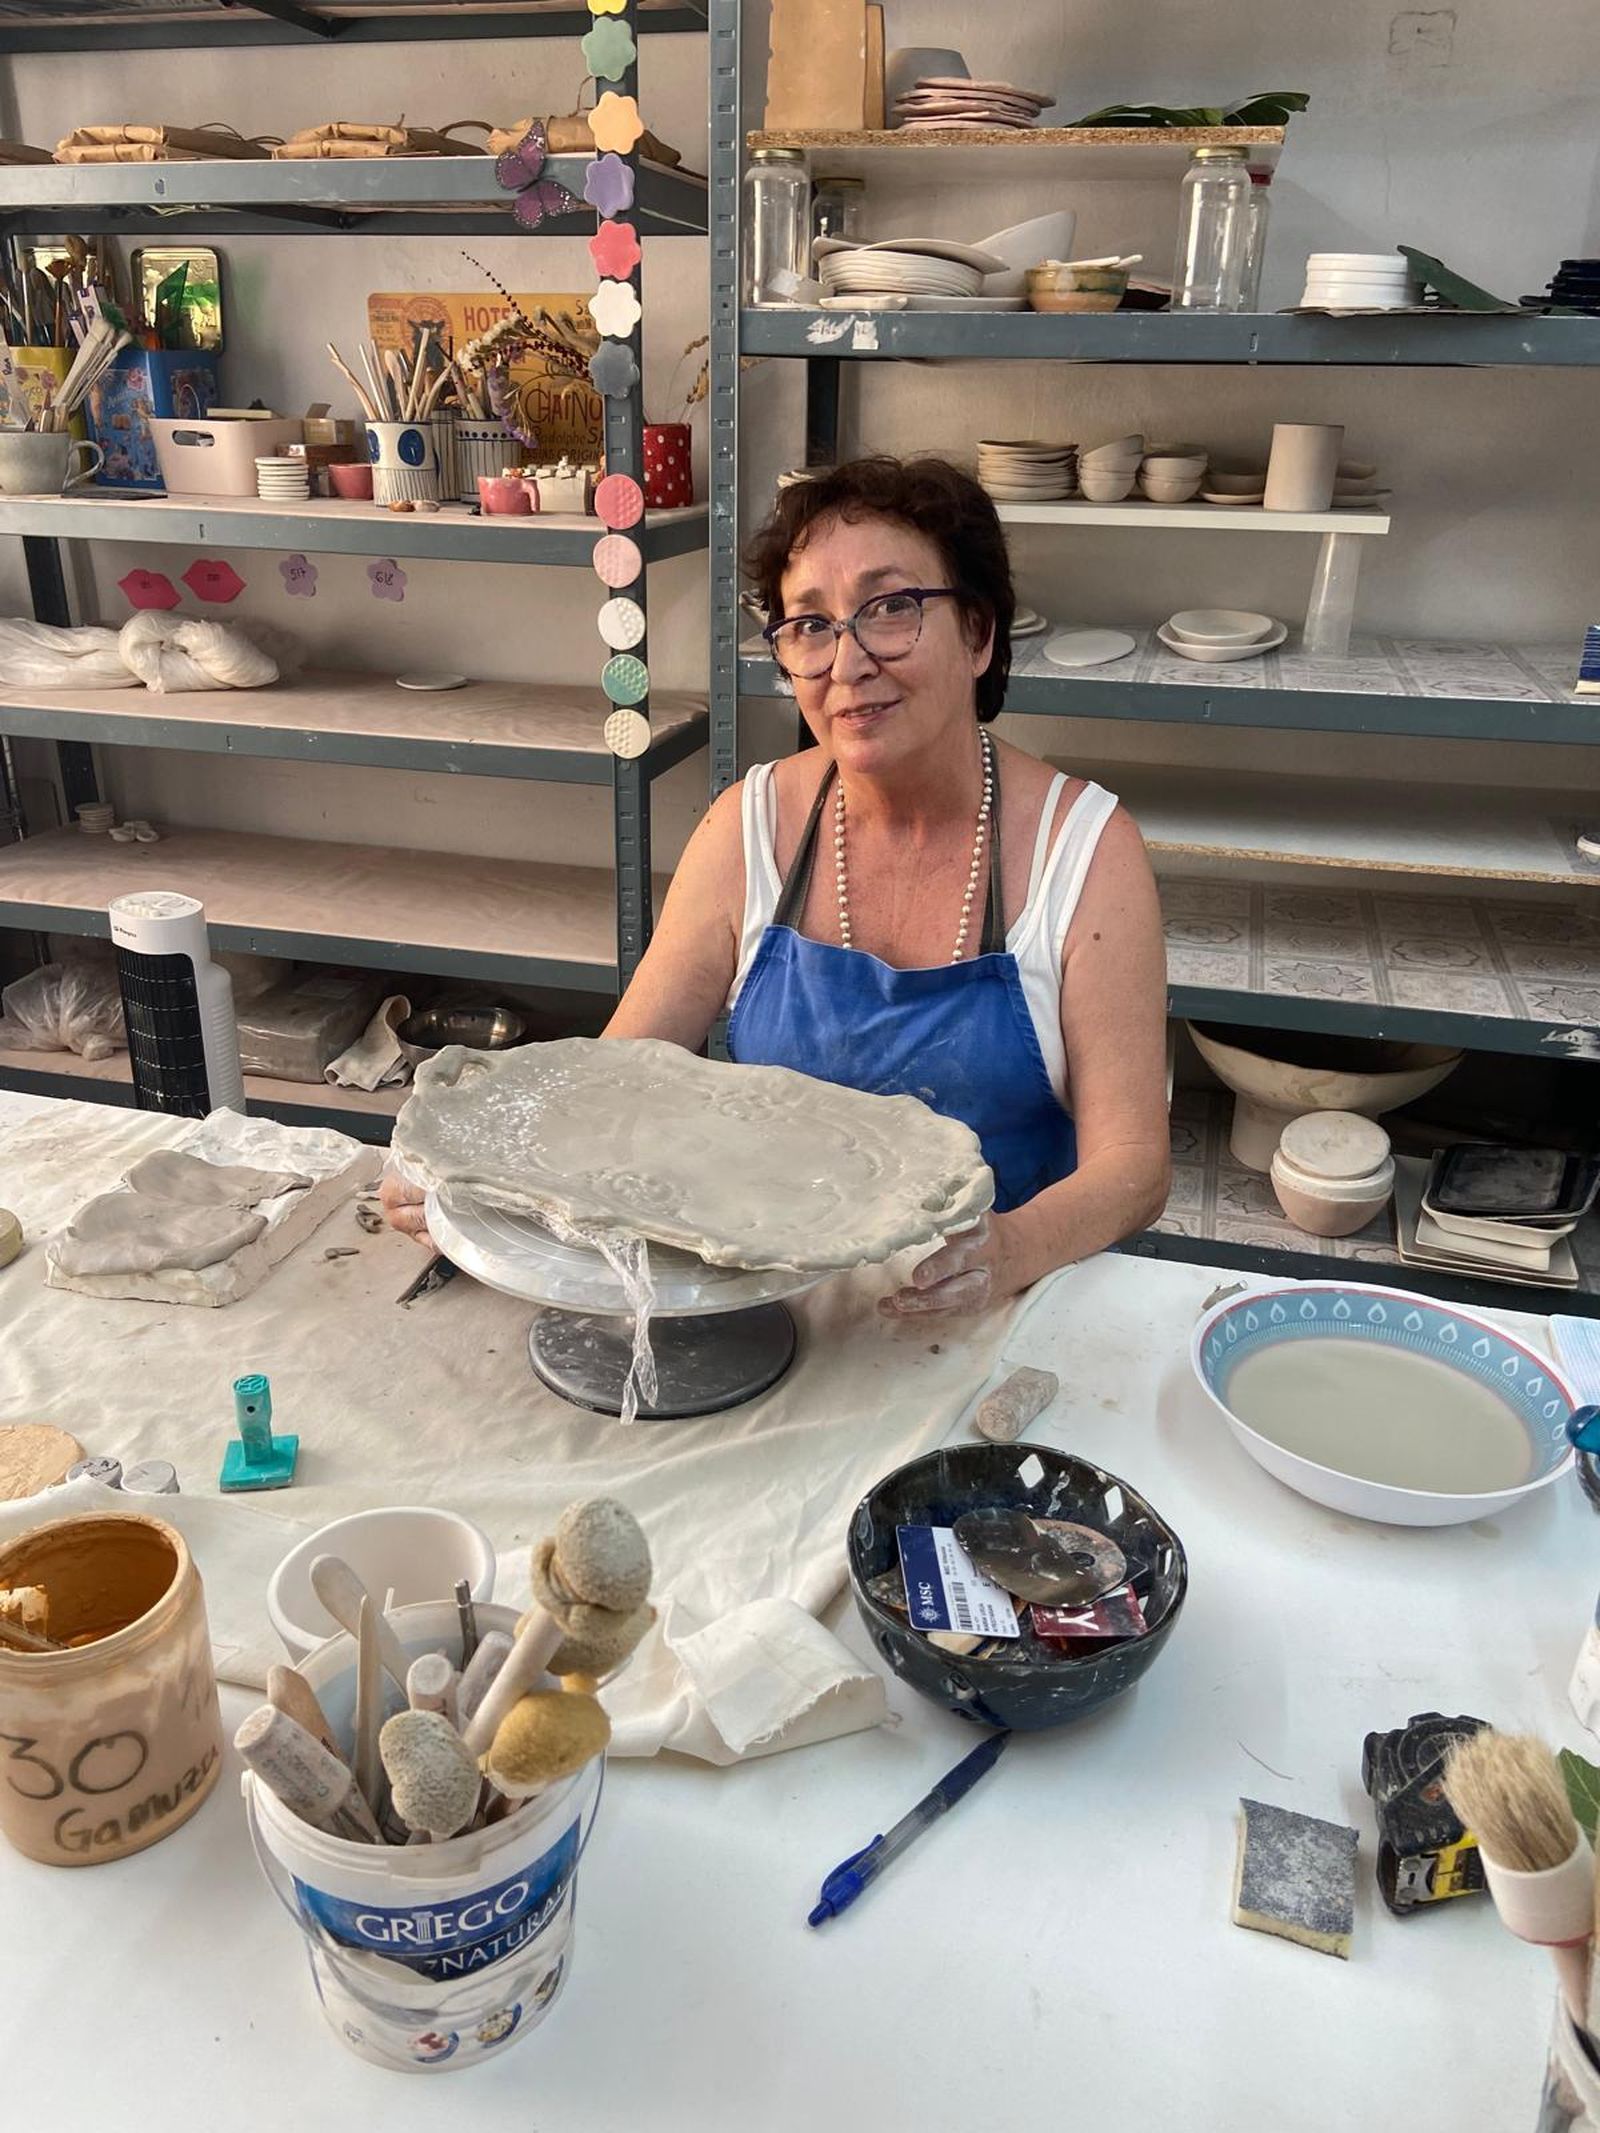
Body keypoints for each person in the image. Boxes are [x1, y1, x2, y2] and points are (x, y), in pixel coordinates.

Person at [385, 455, 1171, 1314]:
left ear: (978, 634)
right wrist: (476, 1176)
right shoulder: (747, 827)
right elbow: (611, 1081)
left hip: (995, 1302)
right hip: (769, 1301)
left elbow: (1133, 1167)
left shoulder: (1085, 851)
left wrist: (1011, 1248)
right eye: (810, 625)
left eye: (891, 608)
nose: (848, 662)